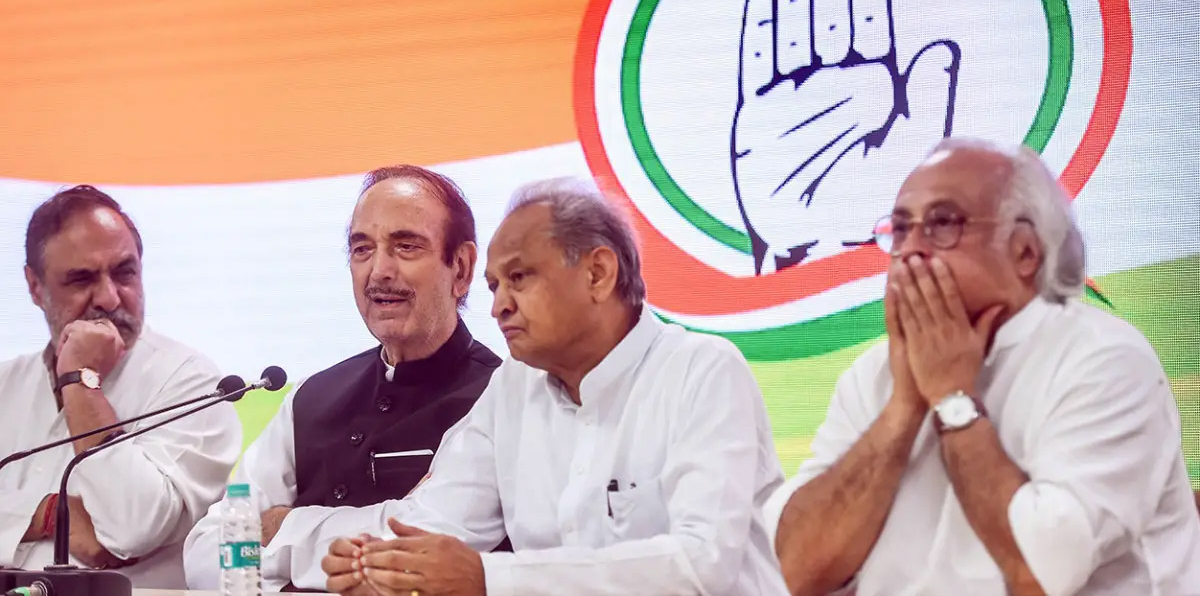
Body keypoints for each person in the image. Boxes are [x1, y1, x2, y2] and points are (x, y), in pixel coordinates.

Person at [297, 178, 790, 595]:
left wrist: (491, 579)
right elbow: (438, 521)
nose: (499, 307)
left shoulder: (702, 372)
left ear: (598, 273)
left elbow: (700, 566)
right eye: (494, 286)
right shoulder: (513, 388)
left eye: (519, 278)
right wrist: (374, 561)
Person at [766, 138, 1200, 595]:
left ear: (1025, 251)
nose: (910, 251)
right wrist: (903, 409)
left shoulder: (1103, 358)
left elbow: (1039, 576)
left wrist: (953, 400)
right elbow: (791, 573)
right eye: (901, 229)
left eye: (942, 224)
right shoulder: (875, 373)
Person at [184, 165, 503, 591]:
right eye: (362, 249)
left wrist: (281, 527)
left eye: (406, 246)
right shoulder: (309, 398)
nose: (379, 271)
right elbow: (206, 552)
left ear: (461, 269)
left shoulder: (499, 397)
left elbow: (418, 552)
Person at [0, 186, 241, 588]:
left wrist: (80, 379)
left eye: (125, 272)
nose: (110, 298)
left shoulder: (194, 384)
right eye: (81, 279)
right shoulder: (5, 385)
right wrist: (50, 514)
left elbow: (132, 528)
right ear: (35, 287)